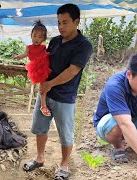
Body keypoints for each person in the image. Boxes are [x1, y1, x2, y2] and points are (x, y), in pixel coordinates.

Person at [22, 4, 93, 180]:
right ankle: (39, 158)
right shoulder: (54, 41)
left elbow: (72, 71)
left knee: (65, 134)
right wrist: (37, 74)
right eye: (59, 22)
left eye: (65, 22)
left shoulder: (84, 45)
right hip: (46, 93)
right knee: (40, 127)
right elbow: (43, 61)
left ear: (76, 22)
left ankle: (64, 165)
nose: (61, 26)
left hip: (65, 97)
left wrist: (49, 84)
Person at [13, 20, 52, 116]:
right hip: (36, 68)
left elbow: (48, 55)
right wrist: (18, 57)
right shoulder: (29, 47)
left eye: (40, 37)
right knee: (42, 87)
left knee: (44, 86)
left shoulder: (44, 47)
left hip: (44, 66)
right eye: (34, 36)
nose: (36, 39)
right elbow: (24, 54)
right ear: (31, 35)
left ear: (44, 38)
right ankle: (43, 105)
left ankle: (43, 105)